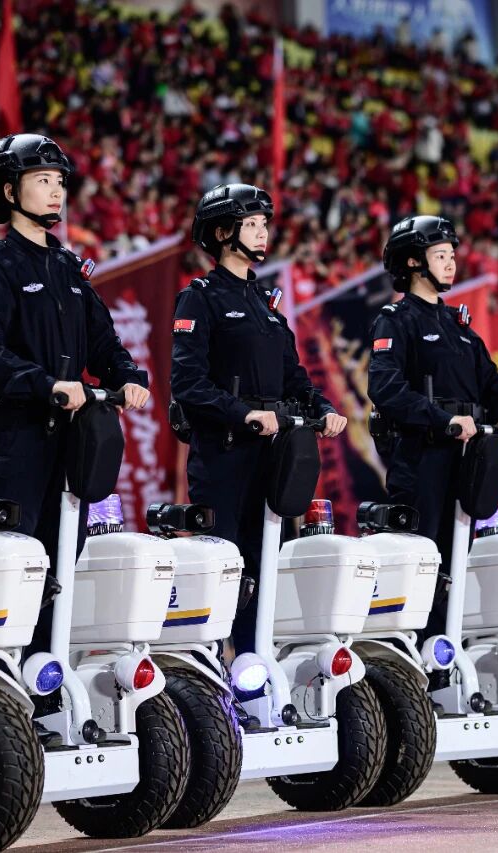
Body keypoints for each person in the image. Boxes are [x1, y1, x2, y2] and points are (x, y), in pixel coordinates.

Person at [0, 133, 149, 668]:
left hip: (74, 444)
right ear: (9, 191)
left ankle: (46, 681)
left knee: (61, 569)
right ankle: (2, 681)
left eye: (60, 181)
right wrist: (46, 385)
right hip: (18, 440)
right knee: (16, 567)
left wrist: (128, 376)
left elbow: (104, 343)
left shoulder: (70, 269)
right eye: (42, 180)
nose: (55, 191)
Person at [170, 183, 346, 654]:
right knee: (224, 570)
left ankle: (252, 668)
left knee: (264, 569)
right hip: (223, 456)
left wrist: (323, 408)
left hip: (274, 457)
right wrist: (244, 413)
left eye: (264, 223)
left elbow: (294, 377)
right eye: (251, 224)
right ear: (222, 233)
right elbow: (187, 383)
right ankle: (207, 668)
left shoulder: (266, 304)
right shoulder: (200, 297)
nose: (263, 232)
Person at [367, 215, 498, 636]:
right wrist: (443, 419)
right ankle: (414, 653)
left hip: (468, 458)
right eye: (440, 255)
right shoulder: (395, 319)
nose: (451, 263)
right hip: (422, 457)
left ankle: (445, 651)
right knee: (422, 564)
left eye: (452, 255)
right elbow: (385, 388)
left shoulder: (460, 326)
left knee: (457, 564)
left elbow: (493, 383)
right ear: (413, 262)